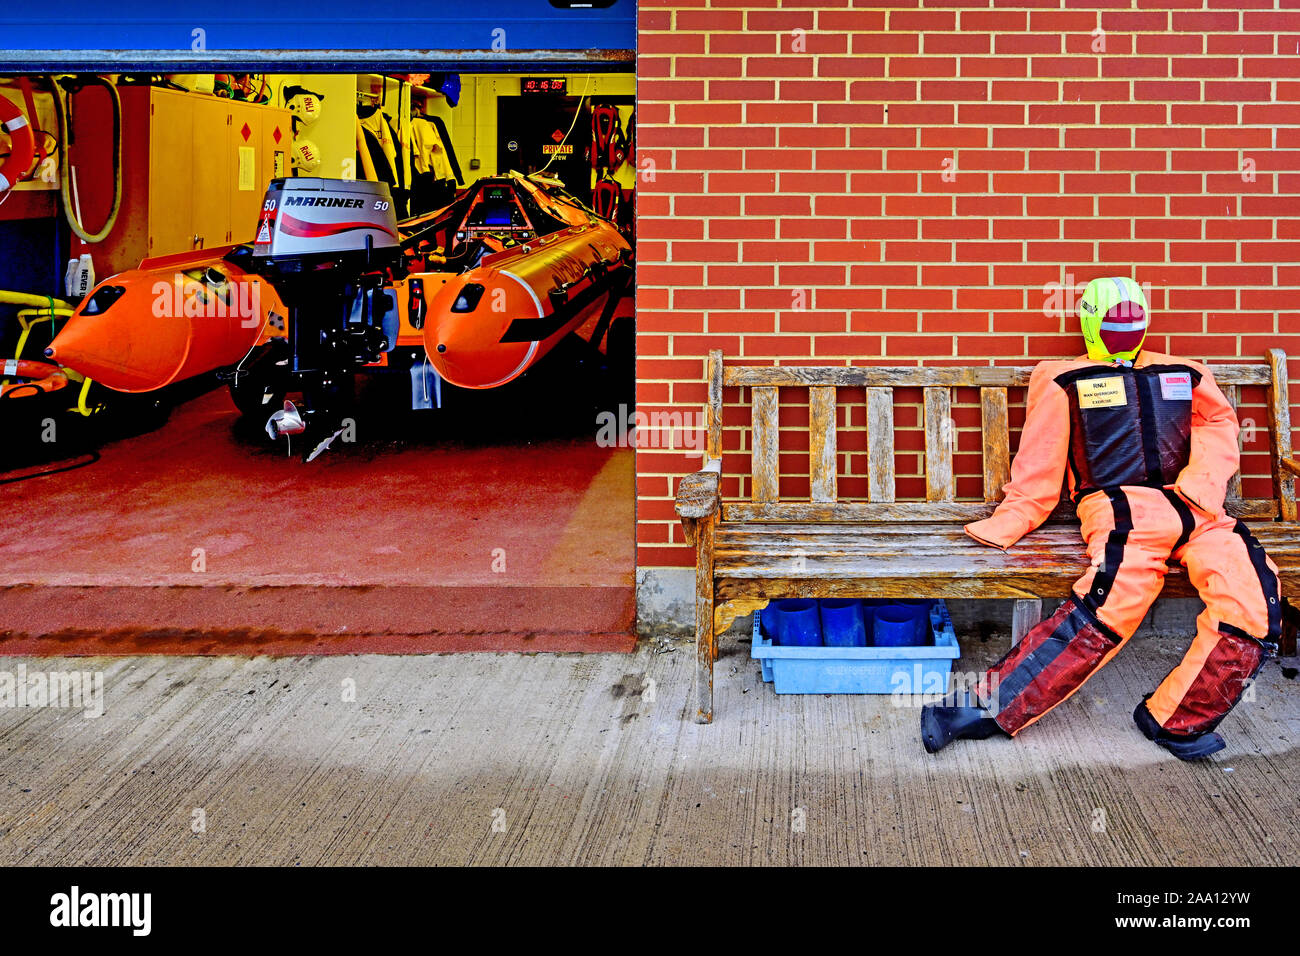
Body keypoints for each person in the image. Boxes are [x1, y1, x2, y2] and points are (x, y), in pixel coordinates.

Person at [920, 277, 1280, 760]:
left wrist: (1203, 485)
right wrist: (1016, 514)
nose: (1124, 329)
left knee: (1255, 602)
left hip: (1201, 509)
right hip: (1124, 510)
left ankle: (1176, 720)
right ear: (1091, 321)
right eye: (1113, 320)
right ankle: (979, 707)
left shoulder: (1187, 372)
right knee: (1108, 607)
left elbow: (1218, 424)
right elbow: (1042, 457)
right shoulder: (1065, 379)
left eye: (1133, 318)